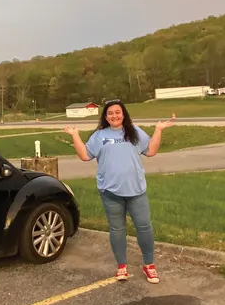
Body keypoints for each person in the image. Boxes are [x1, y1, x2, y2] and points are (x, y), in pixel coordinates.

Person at [65, 100, 174, 283]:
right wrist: (75, 135)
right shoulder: (99, 136)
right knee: (117, 230)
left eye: (118, 112)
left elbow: (151, 151)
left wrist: (158, 130)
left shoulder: (135, 132)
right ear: (105, 117)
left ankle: (149, 265)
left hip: (136, 191)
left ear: (123, 114)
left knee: (144, 227)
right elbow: (85, 155)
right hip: (110, 193)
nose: (114, 116)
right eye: (110, 113)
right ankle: (122, 266)